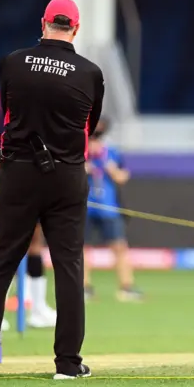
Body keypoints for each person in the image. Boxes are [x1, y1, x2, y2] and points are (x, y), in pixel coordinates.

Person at [0, 0, 104, 380]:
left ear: (43, 24)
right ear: (75, 29)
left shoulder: (12, 62)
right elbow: (88, 127)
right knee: (69, 266)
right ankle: (67, 364)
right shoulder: (90, 72)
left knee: (3, 261)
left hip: (19, 172)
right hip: (67, 175)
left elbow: (8, 110)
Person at [0, 88, 57, 328]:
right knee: (2, 241)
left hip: (2, 176)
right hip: (13, 176)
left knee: (29, 240)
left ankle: (37, 307)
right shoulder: (20, 100)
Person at [83, 119, 143, 302]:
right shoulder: (79, 151)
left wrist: (107, 164)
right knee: (81, 248)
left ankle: (126, 286)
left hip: (109, 208)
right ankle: (83, 288)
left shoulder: (111, 152)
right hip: (84, 207)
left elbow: (122, 177)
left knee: (119, 246)